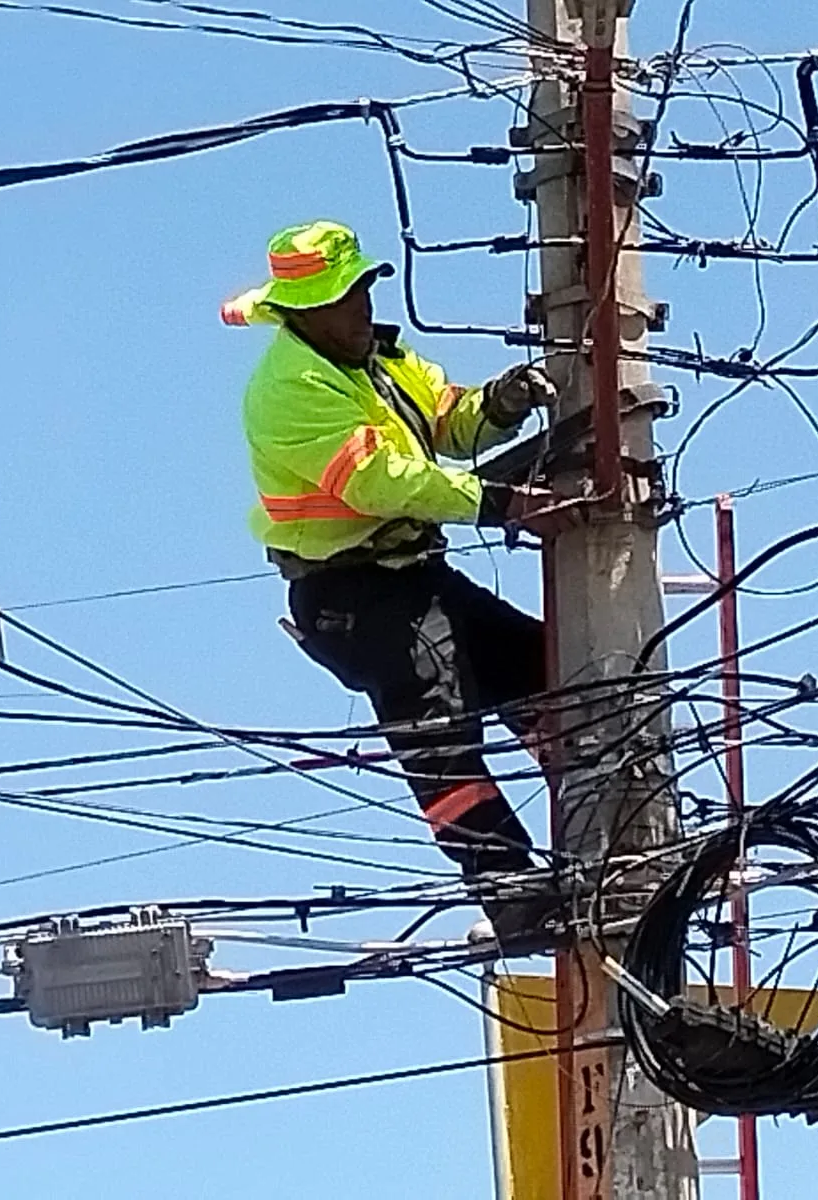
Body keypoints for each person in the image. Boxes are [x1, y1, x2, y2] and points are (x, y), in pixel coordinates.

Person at [223, 220, 569, 939]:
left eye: (361, 289)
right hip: (350, 592)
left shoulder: (377, 361)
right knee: (436, 729)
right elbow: (381, 481)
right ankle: (507, 888)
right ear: (301, 312)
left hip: (413, 573)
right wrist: (498, 503)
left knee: (545, 671)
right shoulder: (289, 388)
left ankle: (600, 800)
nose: (363, 307)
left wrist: (499, 404)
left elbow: (446, 421)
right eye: (344, 297)